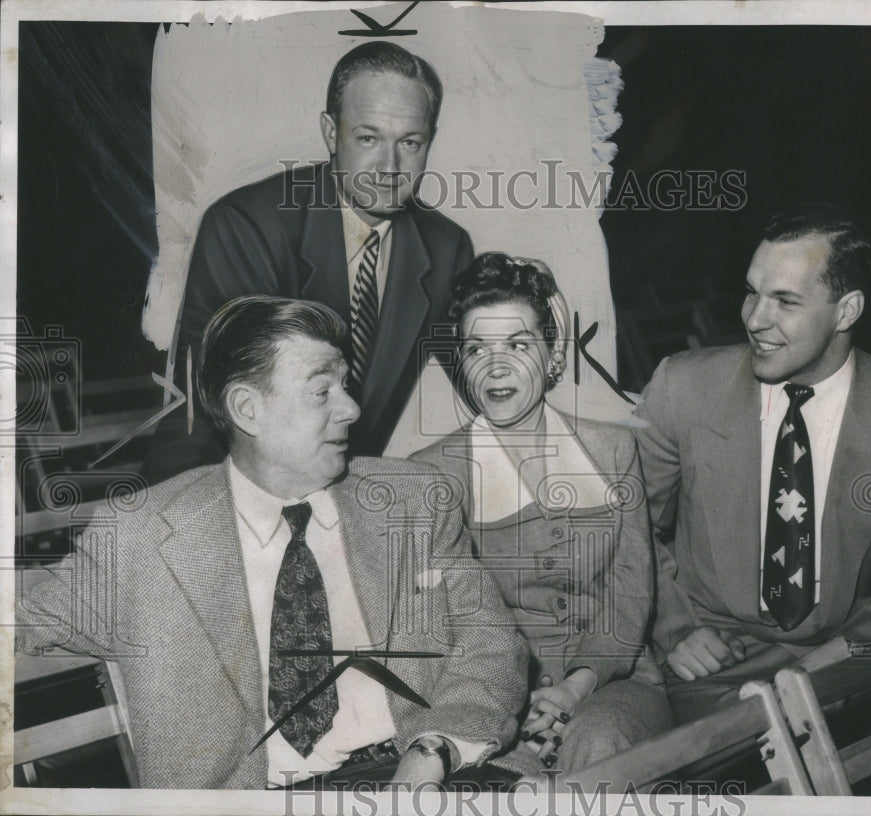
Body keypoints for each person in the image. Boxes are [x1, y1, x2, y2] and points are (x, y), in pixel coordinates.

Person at [19, 295, 528, 789]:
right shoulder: (142, 536)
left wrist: (433, 750)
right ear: (247, 409)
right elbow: (20, 622)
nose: (351, 407)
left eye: (345, 384)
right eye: (321, 390)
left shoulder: (415, 502)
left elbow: (491, 644)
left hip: (430, 767)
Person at [632, 204, 871, 722]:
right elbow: (625, 530)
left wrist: (833, 664)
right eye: (752, 292)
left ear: (846, 311)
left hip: (844, 658)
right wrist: (674, 628)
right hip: (708, 664)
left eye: (784, 301)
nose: (754, 319)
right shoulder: (683, 386)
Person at [143, 41, 473, 483]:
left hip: (345, 495)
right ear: (331, 132)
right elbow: (201, 415)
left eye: (410, 142)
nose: (389, 166)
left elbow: (487, 376)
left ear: (429, 139)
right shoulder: (247, 225)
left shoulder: (446, 246)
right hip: (235, 487)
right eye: (368, 138)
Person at [411, 253, 672, 772]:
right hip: (497, 698)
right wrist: (513, 702)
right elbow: (440, 625)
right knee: (509, 784)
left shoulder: (614, 450)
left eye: (517, 345)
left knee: (598, 744)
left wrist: (576, 687)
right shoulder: (432, 474)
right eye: (476, 347)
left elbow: (632, 592)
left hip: (615, 683)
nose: (496, 365)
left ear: (553, 356)